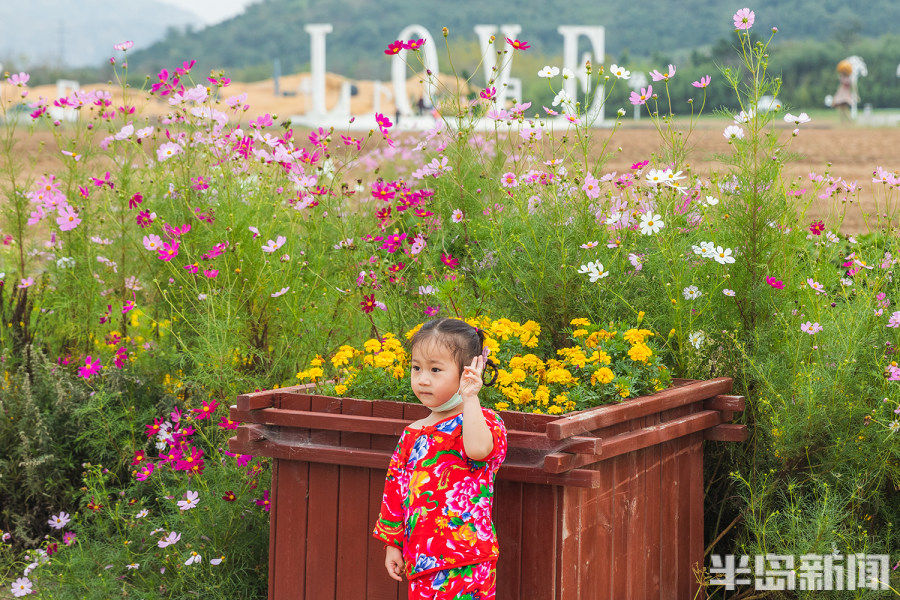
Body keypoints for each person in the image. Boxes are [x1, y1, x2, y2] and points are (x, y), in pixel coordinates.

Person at [372, 317, 507, 599]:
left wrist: (470, 397)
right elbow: (394, 493)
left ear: (468, 370)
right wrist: (393, 545)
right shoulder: (413, 433)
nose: (423, 379)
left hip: (468, 562)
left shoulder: (482, 422)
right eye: (416, 368)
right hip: (422, 563)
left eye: (435, 369)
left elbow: (479, 450)